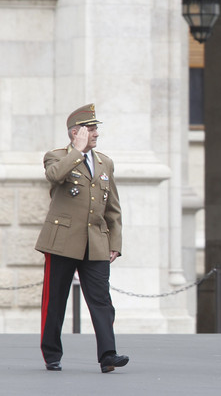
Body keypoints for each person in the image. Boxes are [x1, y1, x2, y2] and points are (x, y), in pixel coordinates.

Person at [35, 103, 129, 373]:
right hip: (62, 240)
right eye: (91, 128)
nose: (96, 133)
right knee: (55, 301)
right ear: (76, 133)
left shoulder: (104, 162)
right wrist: (76, 151)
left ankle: (108, 355)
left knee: (102, 301)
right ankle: (52, 353)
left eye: (96, 128)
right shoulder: (56, 156)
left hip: (96, 241)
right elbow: (54, 177)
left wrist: (115, 243)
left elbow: (113, 208)